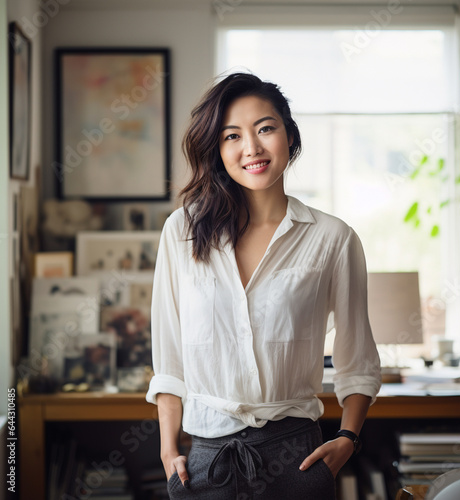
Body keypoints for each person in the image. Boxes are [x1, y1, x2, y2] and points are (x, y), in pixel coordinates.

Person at [146, 72, 381, 499]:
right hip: (205, 461)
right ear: (217, 150)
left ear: (289, 136)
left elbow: (357, 358)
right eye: (232, 135)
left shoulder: (333, 238)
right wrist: (168, 450)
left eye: (265, 129)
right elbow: (169, 359)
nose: (251, 148)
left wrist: (348, 438)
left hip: (297, 458)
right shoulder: (181, 231)